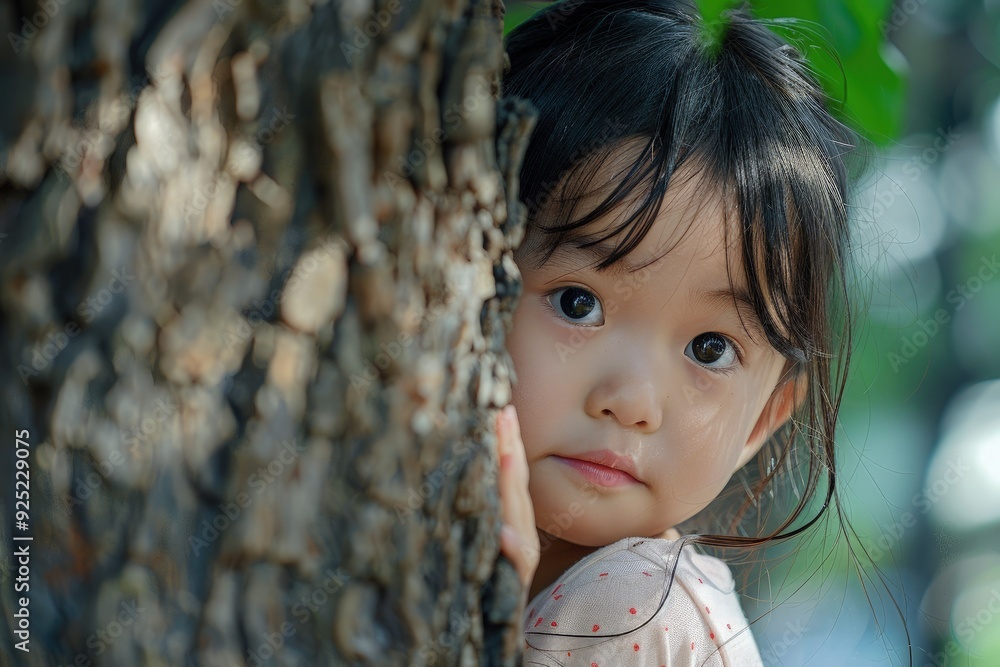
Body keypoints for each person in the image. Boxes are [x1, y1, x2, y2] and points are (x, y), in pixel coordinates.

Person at [493, 1, 858, 664]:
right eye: (577, 303)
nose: (629, 400)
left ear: (763, 420)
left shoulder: (626, 608)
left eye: (709, 348)